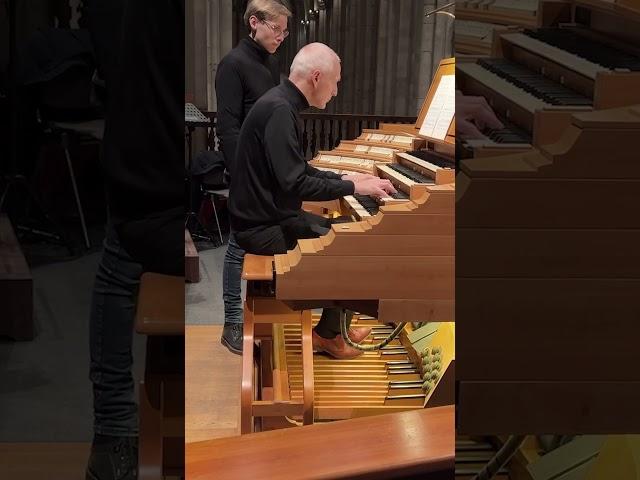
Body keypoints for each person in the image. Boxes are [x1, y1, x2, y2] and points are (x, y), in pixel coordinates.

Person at [229, 43, 397, 359]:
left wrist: (351, 181)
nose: (335, 91)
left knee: (348, 231)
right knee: (351, 244)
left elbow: (298, 169)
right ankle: (330, 336)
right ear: (317, 77)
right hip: (264, 226)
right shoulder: (280, 110)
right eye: (335, 82)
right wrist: (352, 187)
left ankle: (332, 330)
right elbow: (295, 183)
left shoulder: (280, 104)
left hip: (269, 216)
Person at [84, 1, 184, 479]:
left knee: (118, 258)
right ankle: (117, 432)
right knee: (121, 256)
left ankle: (114, 435)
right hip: (150, 196)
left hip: (144, 184)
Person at [215, 0, 292, 355]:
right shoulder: (233, 64)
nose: (282, 37)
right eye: (277, 29)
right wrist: (240, 172)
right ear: (254, 22)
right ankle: (231, 323)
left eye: (284, 31)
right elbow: (228, 127)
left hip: (269, 168)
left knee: (269, 236)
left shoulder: (270, 62)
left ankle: (261, 318)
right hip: (247, 171)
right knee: (237, 246)